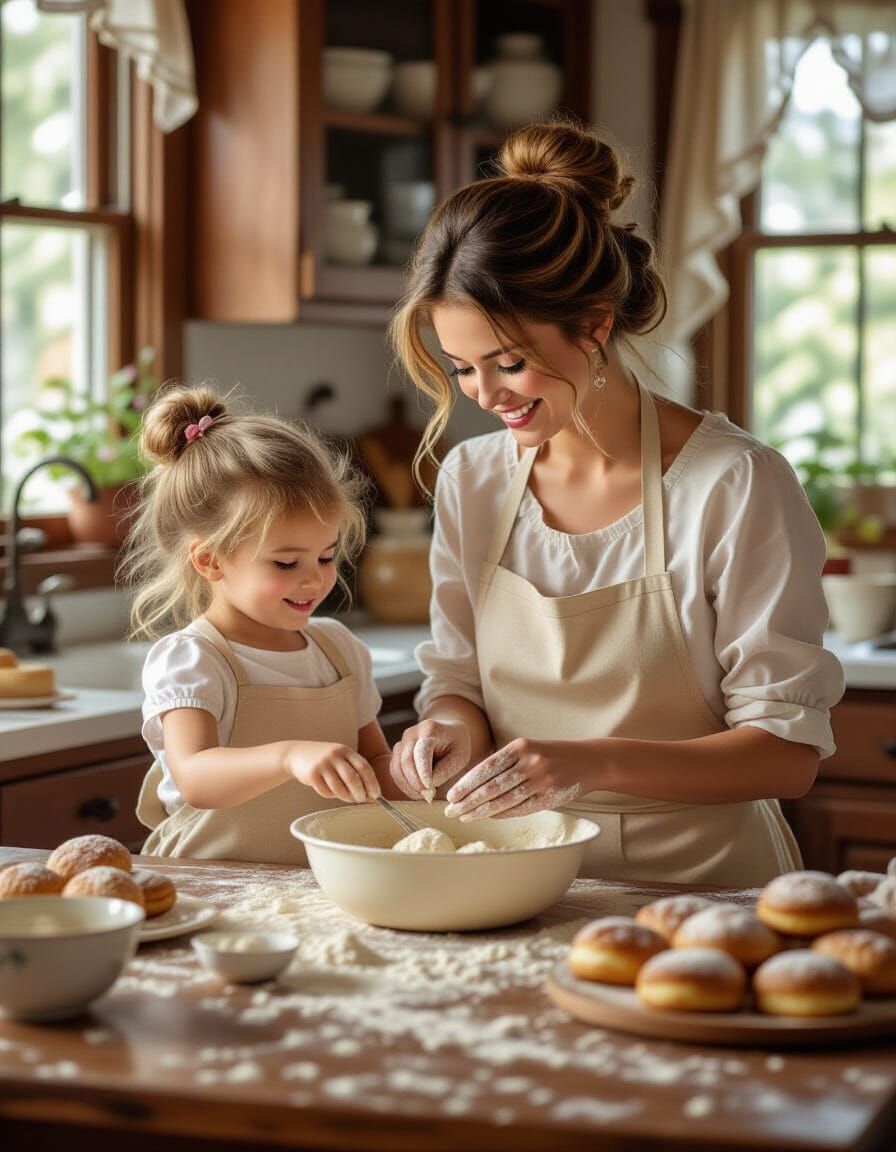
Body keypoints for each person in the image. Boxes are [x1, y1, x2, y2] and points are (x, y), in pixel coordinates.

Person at [386, 118, 845, 886]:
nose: (484, 395)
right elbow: (458, 681)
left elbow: (786, 754)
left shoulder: (733, 484)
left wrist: (584, 762)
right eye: (461, 368)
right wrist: (445, 731)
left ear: (595, 325)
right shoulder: (474, 480)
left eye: (508, 362)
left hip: (705, 888)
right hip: (513, 876)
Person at [125, 384, 392, 864]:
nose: (314, 579)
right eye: (286, 564)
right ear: (210, 560)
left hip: (319, 886)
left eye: (327, 556)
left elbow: (376, 766)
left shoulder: (339, 651)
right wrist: (289, 756)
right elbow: (196, 776)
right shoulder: (195, 659)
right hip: (211, 888)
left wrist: (419, 769)